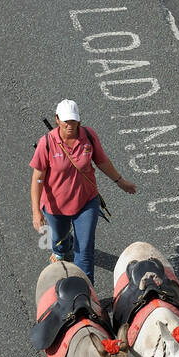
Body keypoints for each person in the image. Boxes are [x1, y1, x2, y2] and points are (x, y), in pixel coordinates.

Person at [30, 100, 136, 283]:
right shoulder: (46, 143)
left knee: (84, 249)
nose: (70, 126)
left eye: (74, 121)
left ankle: (86, 290)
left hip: (86, 202)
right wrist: (36, 212)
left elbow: (101, 161)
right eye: (66, 122)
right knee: (59, 240)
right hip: (56, 206)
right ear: (57, 120)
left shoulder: (88, 136)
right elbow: (37, 178)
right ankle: (61, 250)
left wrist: (120, 181)